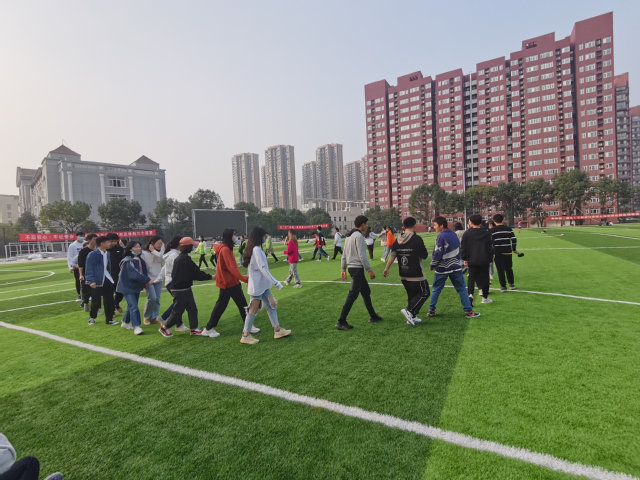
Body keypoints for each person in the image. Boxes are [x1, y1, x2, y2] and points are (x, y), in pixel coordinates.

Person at [240, 227, 291, 345]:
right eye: (264, 236)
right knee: (253, 310)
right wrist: (276, 282)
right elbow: (263, 268)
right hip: (258, 287)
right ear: (259, 237)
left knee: (272, 305)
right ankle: (245, 335)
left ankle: (277, 330)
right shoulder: (256, 249)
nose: (265, 238)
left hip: (262, 286)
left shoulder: (256, 249)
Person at [159, 237, 214, 337]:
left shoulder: (181, 257)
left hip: (183, 288)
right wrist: (210, 277)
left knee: (192, 308)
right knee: (177, 312)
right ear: (188, 247)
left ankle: (194, 329)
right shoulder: (184, 259)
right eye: (192, 245)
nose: (193, 247)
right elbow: (196, 273)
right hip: (180, 289)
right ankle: (164, 328)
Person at [202, 229, 252, 338]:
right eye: (234, 235)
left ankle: (248, 325)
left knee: (242, 304)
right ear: (230, 236)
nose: (236, 237)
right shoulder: (225, 250)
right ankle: (208, 328)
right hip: (227, 283)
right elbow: (232, 268)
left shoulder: (226, 249)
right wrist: (245, 279)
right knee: (222, 306)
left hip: (231, 282)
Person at [427, 217, 480, 319]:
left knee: (436, 289)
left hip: (442, 268)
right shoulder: (453, 234)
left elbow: (437, 252)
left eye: (435, 225)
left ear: (441, 225)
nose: (434, 227)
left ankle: (431, 310)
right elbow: (459, 248)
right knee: (462, 289)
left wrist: (433, 264)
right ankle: (469, 311)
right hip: (455, 266)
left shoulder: (441, 236)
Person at [336, 215, 383, 330]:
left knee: (366, 292)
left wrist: (343, 269)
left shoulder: (349, 236)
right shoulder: (359, 236)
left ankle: (373, 315)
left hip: (352, 268)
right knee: (352, 295)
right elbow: (362, 256)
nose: (367, 226)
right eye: (366, 224)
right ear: (362, 224)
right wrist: (369, 269)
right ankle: (341, 321)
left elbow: (344, 255)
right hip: (357, 269)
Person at [383, 216, 429, 326]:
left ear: (404, 226)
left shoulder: (398, 239)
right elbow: (425, 255)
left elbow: (392, 255)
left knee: (412, 296)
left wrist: (386, 268)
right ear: (414, 225)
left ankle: (412, 316)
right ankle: (409, 311)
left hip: (403, 273)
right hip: (416, 273)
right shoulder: (417, 239)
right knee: (425, 292)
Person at [116, 241, 151, 335]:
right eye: (136, 247)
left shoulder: (137, 259)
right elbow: (134, 274)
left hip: (135, 286)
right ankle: (136, 326)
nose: (138, 248)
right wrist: (147, 280)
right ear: (130, 249)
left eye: (139, 246)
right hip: (127, 287)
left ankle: (125, 322)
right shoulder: (128, 261)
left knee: (131, 305)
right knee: (134, 306)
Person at [85, 236, 119, 326]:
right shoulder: (93, 254)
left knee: (109, 300)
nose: (110, 244)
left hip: (107, 279)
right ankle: (92, 317)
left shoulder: (107, 253)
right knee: (96, 301)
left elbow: (108, 267)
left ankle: (109, 319)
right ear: (102, 243)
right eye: (108, 242)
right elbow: (89, 268)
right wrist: (91, 280)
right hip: (97, 280)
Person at [461, 214, 494, 306]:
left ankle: (470, 295)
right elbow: (489, 247)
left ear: (471, 222)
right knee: (485, 278)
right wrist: (490, 259)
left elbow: (463, 247)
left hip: (472, 259)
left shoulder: (467, 233)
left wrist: (464, 258)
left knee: (471, 278)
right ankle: (484, 298)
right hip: (484, 259)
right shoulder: (486, 232)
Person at [158, 235, 188, 332]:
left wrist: (158, 278)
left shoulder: (171, 254)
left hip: (170, 282)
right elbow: (178, 270)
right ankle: (165, 318)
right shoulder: (174, 255)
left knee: (179, 303)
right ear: (180, 244)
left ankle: (179, 324)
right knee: (179, 304)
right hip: (174, 283)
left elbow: (164, 269)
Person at [491, 213, 518, 292]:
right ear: (502, 220)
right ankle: (511, 284)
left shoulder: (492, 230)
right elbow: (514, 239)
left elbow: (490, 243)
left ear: (494, 221)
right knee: (509, 268)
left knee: (500, 270)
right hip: (508, 252)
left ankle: (503, 287)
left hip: (497, 253)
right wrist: (514, 249)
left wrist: (492, 253)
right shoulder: (508, 229)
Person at [141, 236, 165, 325]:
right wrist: (145, 280)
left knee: (157, 299)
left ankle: (154, 317)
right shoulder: (144, 253)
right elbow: (142, 267)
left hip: (158, 279)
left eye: (161, 244)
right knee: (152, 298)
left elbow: (162, 258)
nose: (160, 245)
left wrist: (154, 251)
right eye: (158, 243)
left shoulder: (159, 253)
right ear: (152, 243)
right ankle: (147, 317)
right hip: (148, 279)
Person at [77, 234, 97, 312]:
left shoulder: (97, 250)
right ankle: (86, 303)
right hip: (86, 273)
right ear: (89, 240)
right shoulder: (83, 251)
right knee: (86, 290)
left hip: (96, 273)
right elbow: (80, 264)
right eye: (94, 239)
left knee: (96, 291)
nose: (95, 240)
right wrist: (81, 275)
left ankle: (96, 308)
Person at [106, 233, 125, 314]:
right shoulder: (104, 250)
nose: (113, 243)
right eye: (111, 241)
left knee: (120, 292)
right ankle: (111, 311)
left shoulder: (120, 249)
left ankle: (116, 304)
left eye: (115, 241)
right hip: (107, 276)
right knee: (109, 295)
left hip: (118, 275)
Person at [67, 232, 84, 301]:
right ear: (76, 236)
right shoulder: (72, 245)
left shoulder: (86, 243)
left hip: (85, 265)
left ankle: (88, 294)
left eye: (83, 236)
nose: (82, 237)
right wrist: (71, 267)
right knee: (78, 280)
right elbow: (70, 256)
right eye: (80, 236)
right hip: (76, 266)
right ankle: (79, 294)